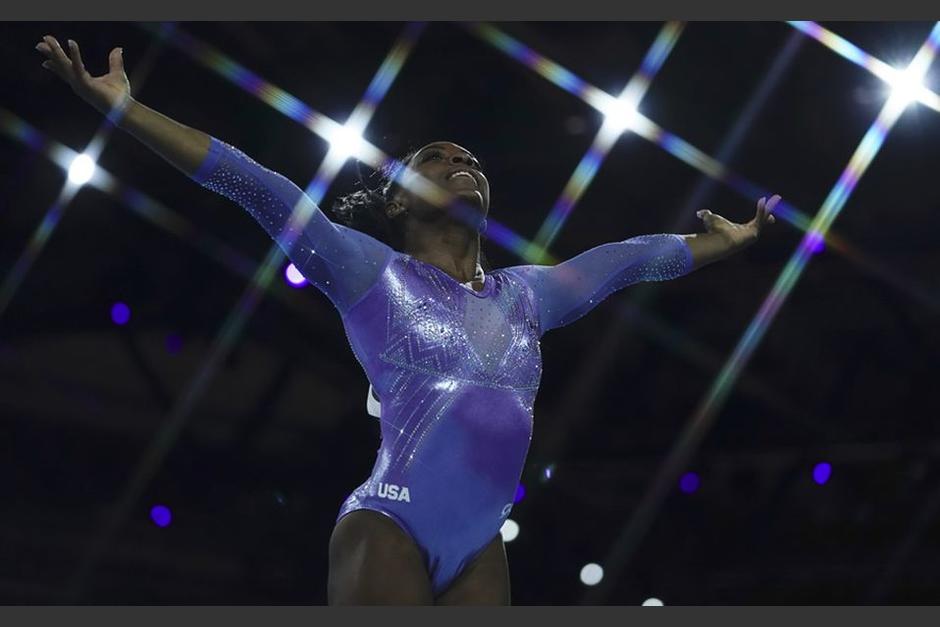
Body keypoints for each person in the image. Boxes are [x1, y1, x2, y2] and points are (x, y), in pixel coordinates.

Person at [34, 35, 779, 605]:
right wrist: (124, 111)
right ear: (396, 200)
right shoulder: (368, 271)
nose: (461, 160)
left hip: (482, 546)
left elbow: (624, 260)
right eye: (435, 157)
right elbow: (253, 183)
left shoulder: (528, 296)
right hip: (388, 522)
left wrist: (723, 244)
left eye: (470, 157)